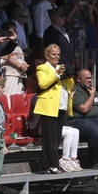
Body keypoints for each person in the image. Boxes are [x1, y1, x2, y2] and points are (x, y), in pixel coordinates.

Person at [33, 42, 66, 174]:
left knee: (57, 137)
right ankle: (51, 164)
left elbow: (67, 84)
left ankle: (52, 163)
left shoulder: (60, 68)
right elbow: (43, 83)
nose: (56, 57)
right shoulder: (42, 68)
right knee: (49, 137)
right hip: (48, 106)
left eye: (58, 55)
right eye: (53, 54)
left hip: (60, 105)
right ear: (47, 55)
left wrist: (68, 76)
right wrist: (57, 74)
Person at [69, 69, 98, 168]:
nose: (89, 80)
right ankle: (95, 162)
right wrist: (92, 95)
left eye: (90, 78)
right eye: (86, 78)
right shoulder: (75, 91)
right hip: (81, 120)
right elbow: (84, 109)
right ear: (79, 79)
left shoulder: (93, 90)